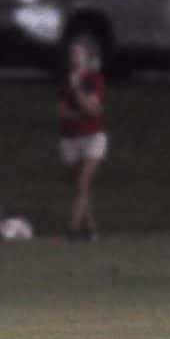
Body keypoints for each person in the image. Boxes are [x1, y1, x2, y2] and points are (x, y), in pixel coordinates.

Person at [57, 42, 106, 242]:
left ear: (87, 57)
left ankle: (73, 229)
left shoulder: (94, 80)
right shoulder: (66, 80)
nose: (75, 57)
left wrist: (77, 89)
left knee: (82, 182)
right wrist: (81, 111)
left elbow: (94, 110)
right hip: (71, 139)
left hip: (92, 138)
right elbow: (63, 112)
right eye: (73, 53)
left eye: (79, 53)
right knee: (81, 188)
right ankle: (91, 230)